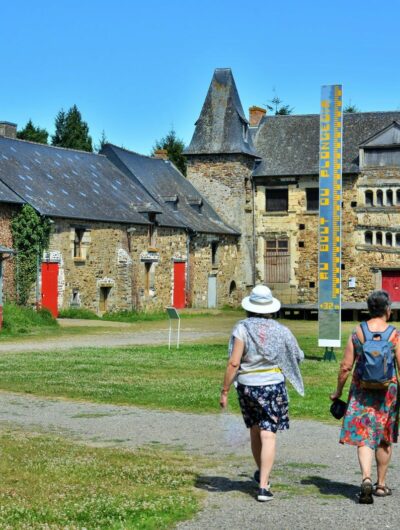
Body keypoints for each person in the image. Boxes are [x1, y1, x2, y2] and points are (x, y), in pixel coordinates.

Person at [219, 284, 304, 502]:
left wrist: (225, 389)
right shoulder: (281, 330)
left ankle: (261, 474)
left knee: (256, 431)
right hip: (272, 385)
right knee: (269, 433)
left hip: (248, 386)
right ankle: (264, 486)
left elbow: (234, 361)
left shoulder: (242, 328)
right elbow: (298, 354)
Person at [330, 290, 400, 504]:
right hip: (388, 393)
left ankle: (366, 478)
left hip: (361, 391)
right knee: (384, 437)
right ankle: (381, 485)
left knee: (364, 436)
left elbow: (345, 367)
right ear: (388, 310)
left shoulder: (357, 332)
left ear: (369, 309)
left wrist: (338, 391)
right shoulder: (394, 334)